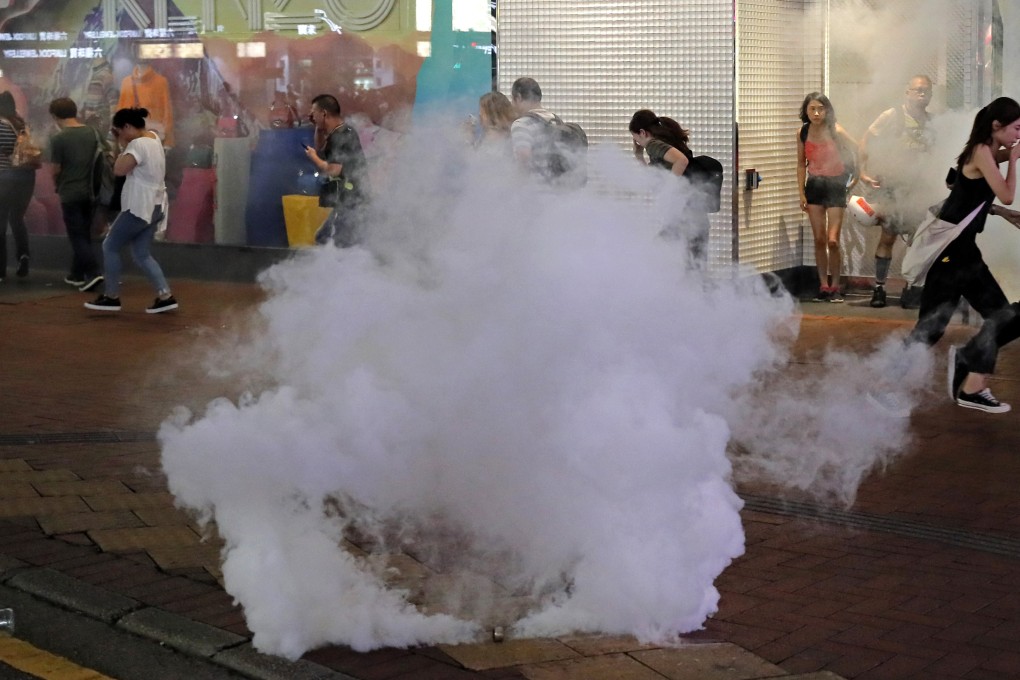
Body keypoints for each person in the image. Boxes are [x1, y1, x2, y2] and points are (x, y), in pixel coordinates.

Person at [898, 97, 1020, 413]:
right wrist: (1014, 162)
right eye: (1017, 128)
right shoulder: (981, 151)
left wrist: (1000, 212)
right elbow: (1007, 193)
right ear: (997, 125)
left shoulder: (986, 150)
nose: (1018, 135)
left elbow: (967, 193)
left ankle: (972, 382)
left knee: (1002, 318)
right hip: (952, 255)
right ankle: (890, 387)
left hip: (963, 252)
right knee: (931, 328)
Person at [84, 107, 177, 313]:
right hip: (156, 205)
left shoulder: (137, 144)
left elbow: (119, 169)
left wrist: (120, 143)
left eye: (118, 131)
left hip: (139, 206)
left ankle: (111, 296)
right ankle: (165, 295)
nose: (118, 135)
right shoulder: (154, 137)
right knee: (141, 253)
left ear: (126, 127)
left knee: (110, 245)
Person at [859, 75, 935, 309]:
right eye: (918, 89)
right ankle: (879, 288)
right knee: (888, 237)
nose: (922, 94)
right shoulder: (892, 116)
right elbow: (865, 140)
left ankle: (911, 288)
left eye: (926, 90)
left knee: (917, 240)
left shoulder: (932, 121)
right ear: (907, 92)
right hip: (894, 186)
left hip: (918, 188)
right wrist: (863, 171)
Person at [797, 92, 858, 302]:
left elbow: (858, 149)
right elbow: (800, 164)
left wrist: (857, 176)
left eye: (820, 109)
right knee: (819, 238)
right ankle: (823, 285)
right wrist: (801, 192)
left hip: (835, 185)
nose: (816, 113)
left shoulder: (835, 130)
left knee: (833, 240)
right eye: (812, 109)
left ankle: (836, 285)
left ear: (827, 111)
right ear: (806, 111)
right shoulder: (803, 132)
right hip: (814, 185)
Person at [629, 108, 710, 264]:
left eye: (635, 138)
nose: (637, 143)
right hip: (694, 216)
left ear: (642, 132)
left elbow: (681, 161)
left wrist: (670, 191)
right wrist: (639, 157)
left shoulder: (653, 144)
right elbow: (653, 179)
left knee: (660, 257)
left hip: (684, 216)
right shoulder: (667, 143)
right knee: (693, 267)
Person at [48, 97, 105, 292]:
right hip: (92, 191)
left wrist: (56, 183)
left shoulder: (59, 138)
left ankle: (93, 272)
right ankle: (76, 274)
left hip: (70, 192)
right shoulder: (93, 132)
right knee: (83, 233)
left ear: (55, 116)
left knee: (77, 235)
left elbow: (56, 169)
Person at [303, 94, 368, 247]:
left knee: (333, 241)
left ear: (324, 113)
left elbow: (334, 170)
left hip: (350, 198)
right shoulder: (338, 132)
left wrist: (313, 158)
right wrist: (318, 127)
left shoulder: (342, 135)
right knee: (325, 239)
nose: (311, 115)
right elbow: (320, 148)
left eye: (314, 111)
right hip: (345, 199)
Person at [0, 90, 35, 282]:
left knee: (1, 221)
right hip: (25, 178)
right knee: (17, 218)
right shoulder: (21, 124)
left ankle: (0, 269)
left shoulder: (1, 125)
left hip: (5, 178)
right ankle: (23, 255)